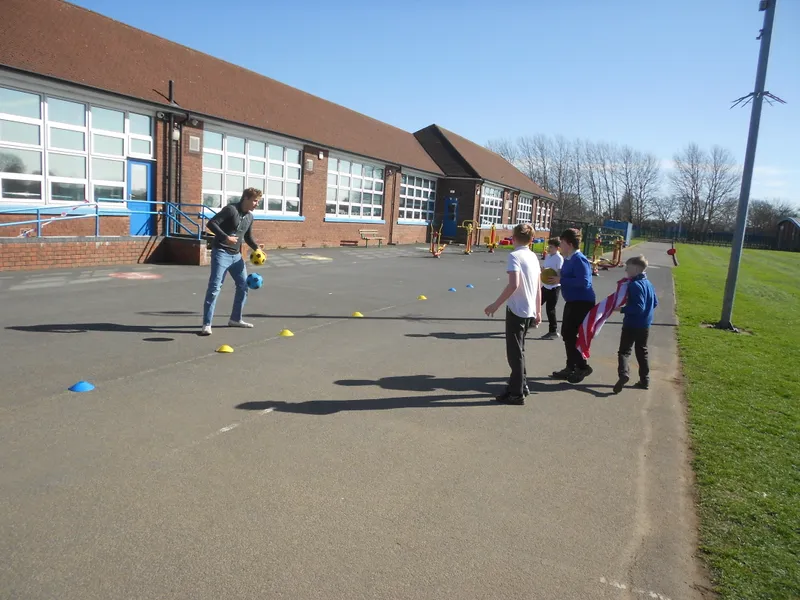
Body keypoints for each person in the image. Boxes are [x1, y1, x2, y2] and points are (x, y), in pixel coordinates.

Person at [484, 223, 542, 405]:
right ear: (531, 240)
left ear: (513, 238)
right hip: (529, 309)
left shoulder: (514, 256)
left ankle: (516, 393)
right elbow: (538, 287)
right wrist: (538, 310)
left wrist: (495, 304)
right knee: (520, 350)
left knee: (514, 353)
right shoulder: (533, 256)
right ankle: (520, 385)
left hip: (517, 310)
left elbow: (513, 284)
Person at [199, 188, 264, 336]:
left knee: (243, 286)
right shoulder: (230, 209)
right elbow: (211, 224)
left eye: (258, 201)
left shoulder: (250, 217)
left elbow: (248, 237)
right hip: (221, 253)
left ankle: (235, 319)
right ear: (246, 198)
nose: (257, 204)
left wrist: (257, 248)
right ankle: (206, 324)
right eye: (255, 200)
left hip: (236, 256)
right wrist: (225, 237)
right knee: (215, 288)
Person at [544, 228, 596, 383]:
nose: (560, 245)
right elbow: (565, 274)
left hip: (582, 302)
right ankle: (571, 366)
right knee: (567, 335)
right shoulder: (568, 259)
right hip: (572, 301)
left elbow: (584, 282)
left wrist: (561, 279)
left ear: (570, 244)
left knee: (570, 335)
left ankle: (582, 367)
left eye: (562, 242)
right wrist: (553, 274)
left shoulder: (579, 259)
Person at [613, 255, 658, 393]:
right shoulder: (649, 284)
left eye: (628, 267)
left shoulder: (634, 285)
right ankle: (645, 380)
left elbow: (639, 308)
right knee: (642, 351)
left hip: (632, 324)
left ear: (637, 269)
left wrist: (622, 309)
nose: (626, 270)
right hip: (645, 325)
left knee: (624, 351)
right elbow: (655, 302)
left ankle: (624, 373)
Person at [541, 238, 564, 340]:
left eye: (551, 247)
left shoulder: (559, 258)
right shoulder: (548, 256)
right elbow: (545, 268)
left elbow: (559, 272)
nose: (549, 248)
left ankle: (553, 331)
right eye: (548, 246)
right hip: (546, 286)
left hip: (554, 287)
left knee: (550, 309)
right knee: (536, 303)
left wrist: (557, 279)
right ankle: (532, 321)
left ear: (557, 248)